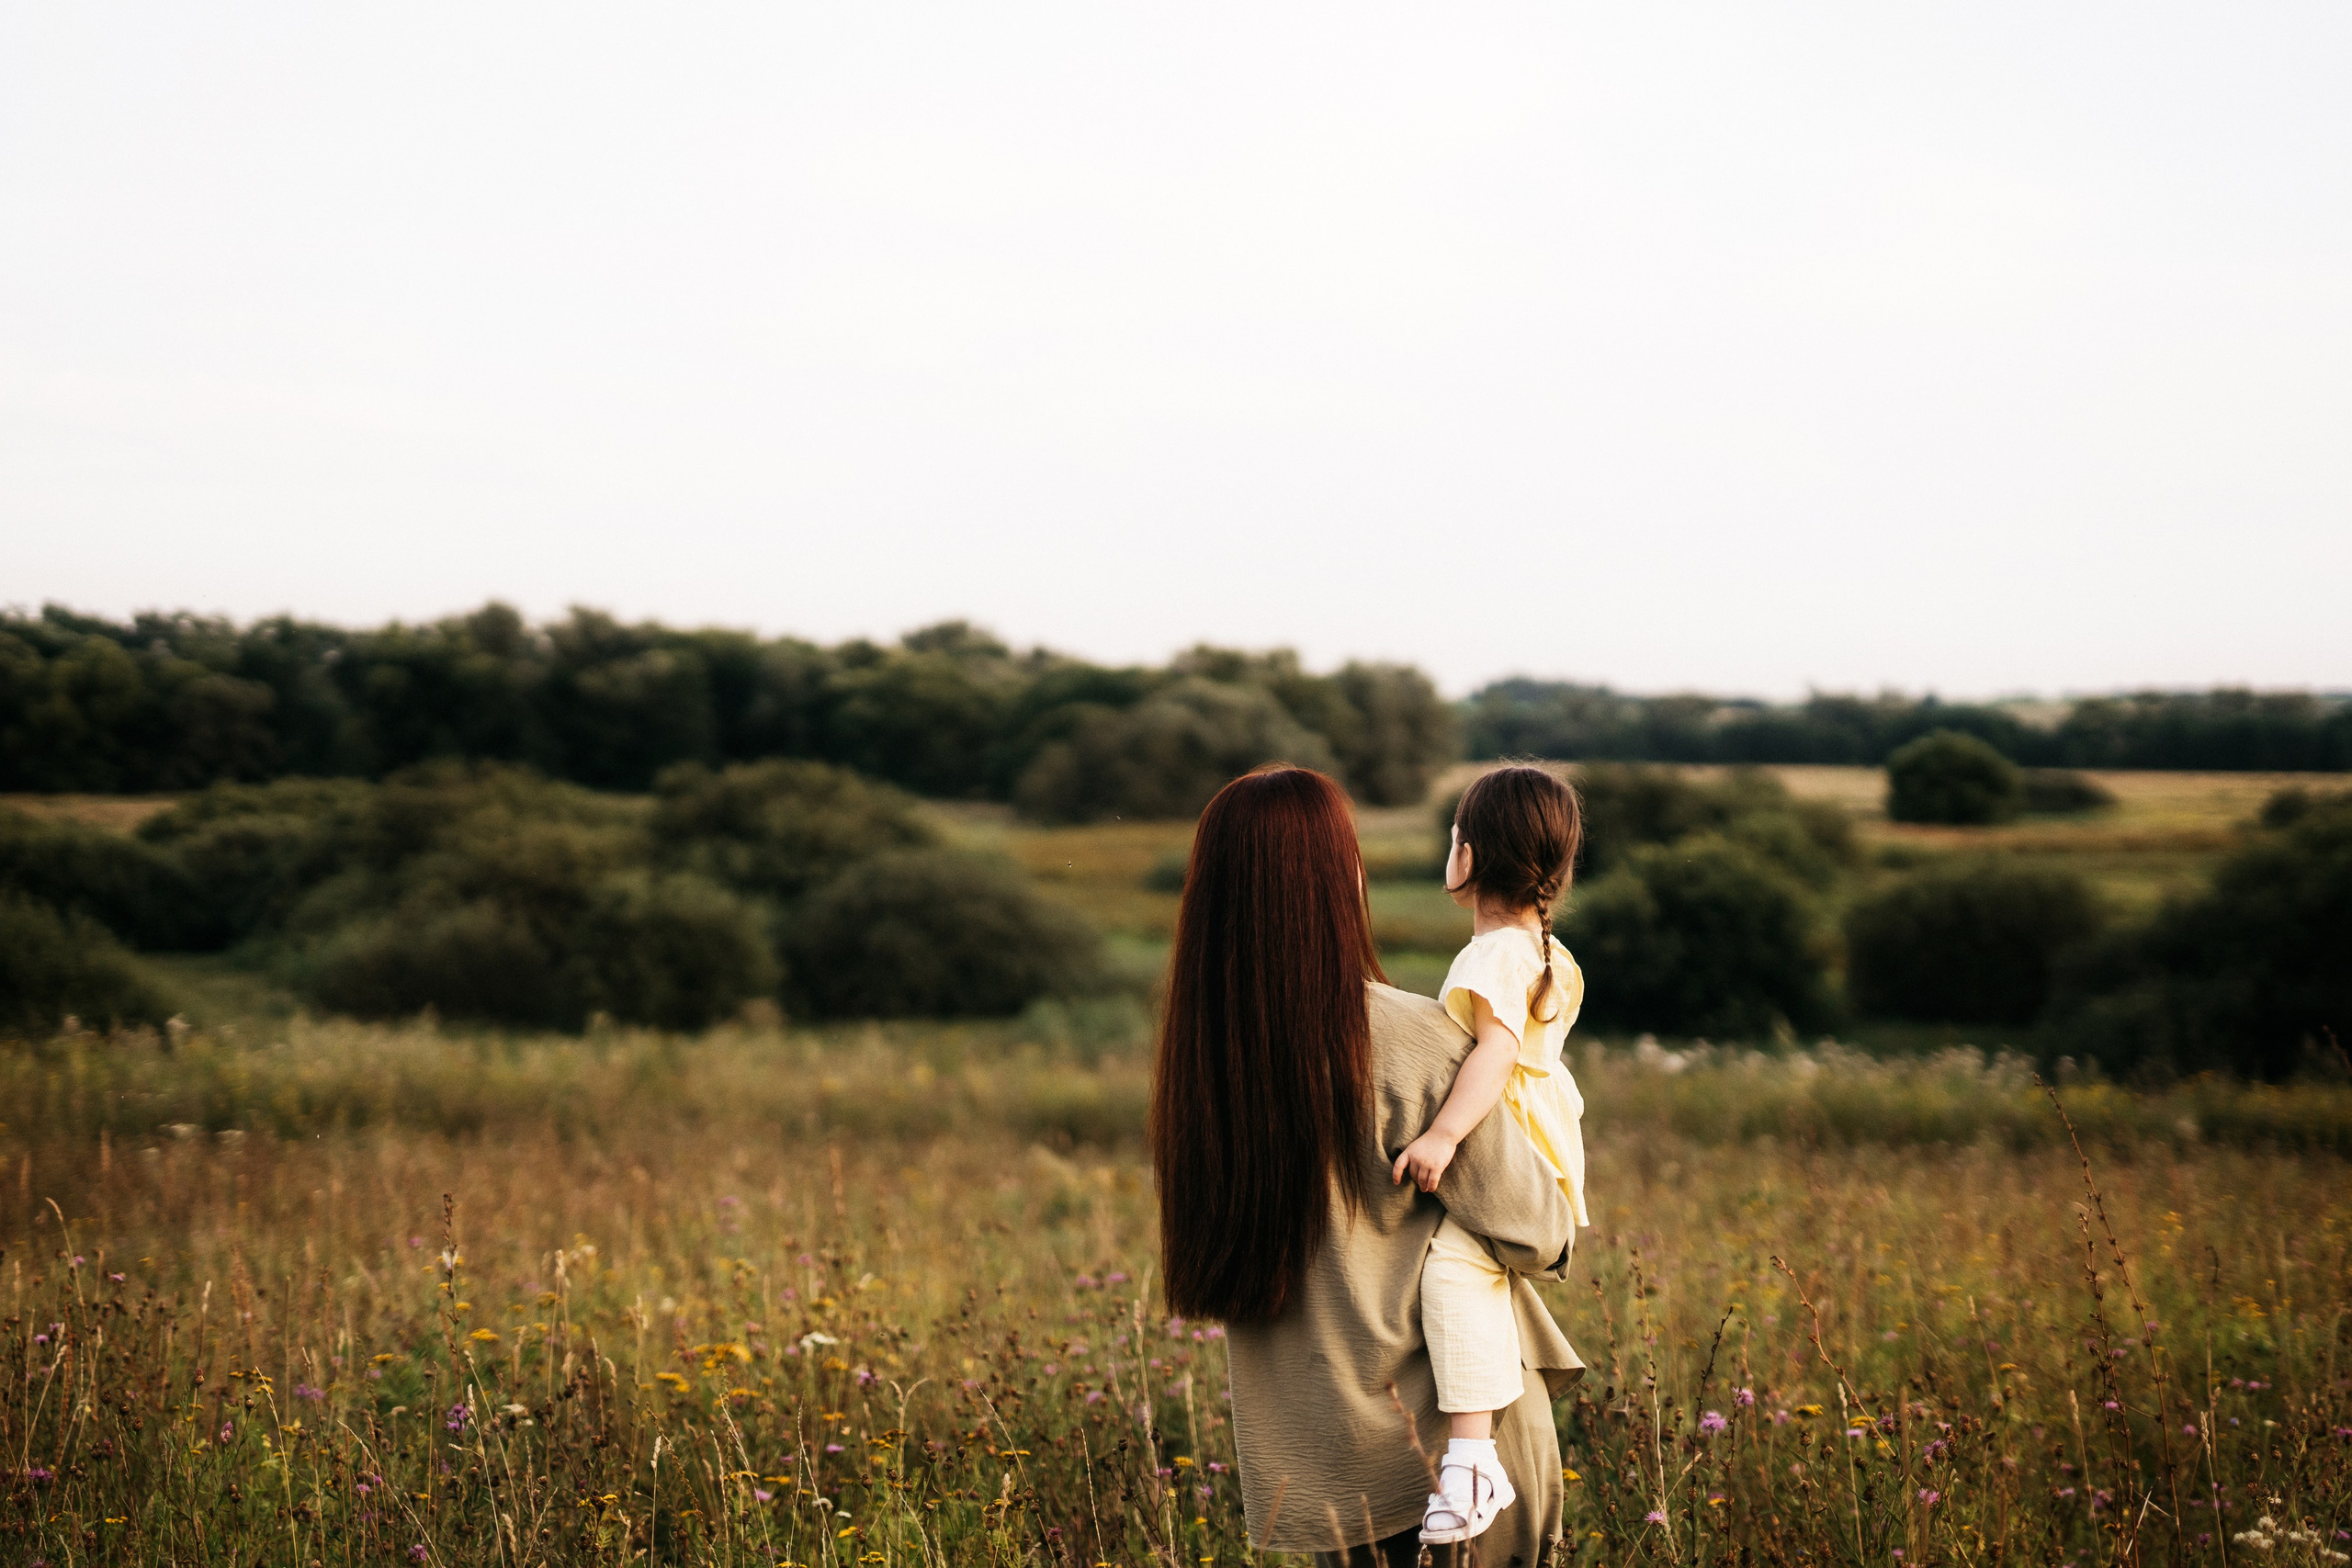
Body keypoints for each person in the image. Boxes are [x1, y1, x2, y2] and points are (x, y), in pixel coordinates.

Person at [1150, 765, 1582, 1568]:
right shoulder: (1405, 1039)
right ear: (1333, 879)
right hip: (1447, 1460)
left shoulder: (1201, 1069)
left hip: (1323, 1481)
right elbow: (1541, 1231)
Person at [1391, 765, 1591, 1543]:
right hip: (1543, 1134)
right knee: (1470, 1271)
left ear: (1470, 856)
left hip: (1505, 1142)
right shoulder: (1539, 948)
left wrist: (1442, 1135)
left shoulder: (1495, 956)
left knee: (1452, 1267)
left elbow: (1496, 1054)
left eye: (1454, 837)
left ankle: (1474, 1461)